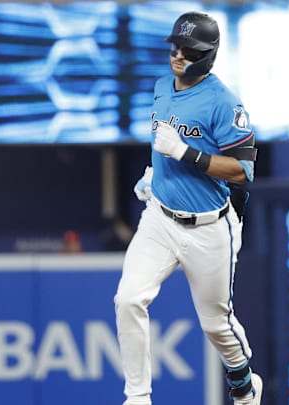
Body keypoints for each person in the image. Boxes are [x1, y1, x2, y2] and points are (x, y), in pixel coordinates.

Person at [114, 11, 261, 405]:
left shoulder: (223, 102)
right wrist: (155, 176)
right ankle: (138, 397)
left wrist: (186, 154)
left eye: (189, 50)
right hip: (160, 218)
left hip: (210, 226)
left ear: (208, 53)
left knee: (215, 325)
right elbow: (161, 143)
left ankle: (245, 383)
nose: (178, 56)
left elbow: (243, 171)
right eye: (175, 47)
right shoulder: (162, 86)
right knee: (128, 299)